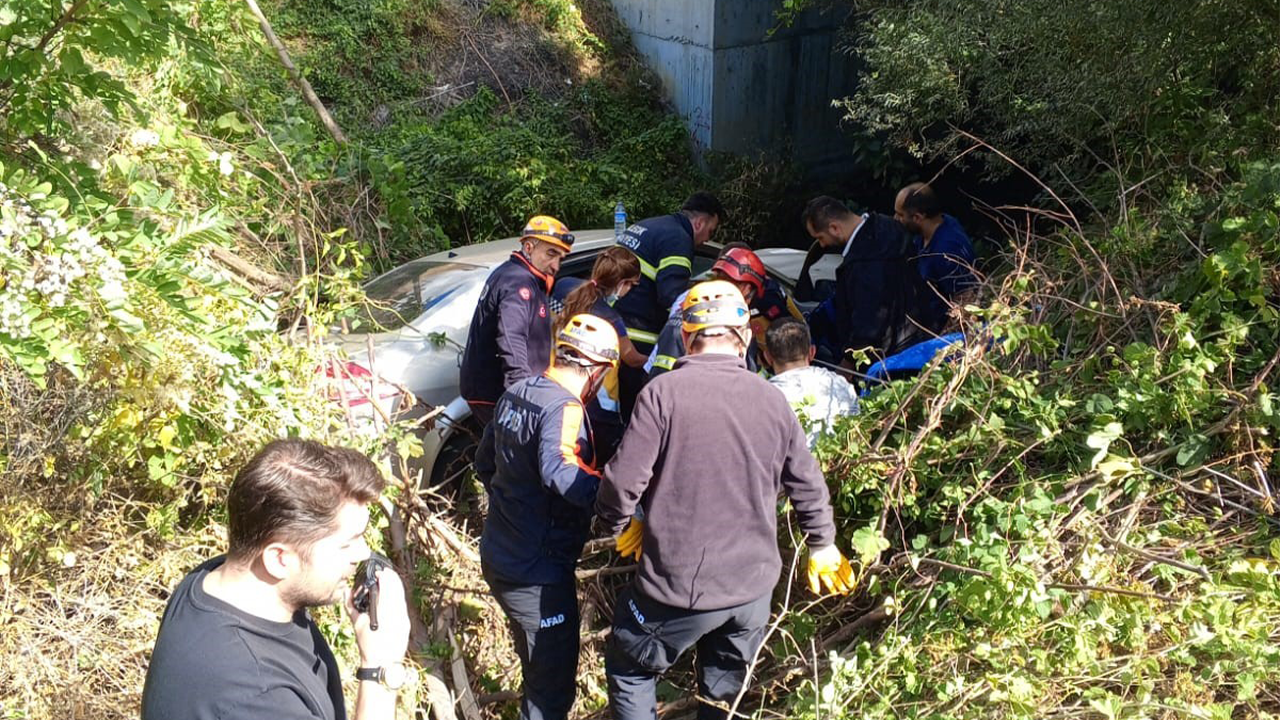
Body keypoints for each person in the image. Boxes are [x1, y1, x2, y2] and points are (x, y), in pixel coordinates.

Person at [596, 281, 856, 720]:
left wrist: (618, 523)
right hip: (752, 591)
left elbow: (622, 483)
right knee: (721, 695)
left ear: (685, 337)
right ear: (745, 338)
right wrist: (823, 544)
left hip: (678, 587)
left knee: (631, 669)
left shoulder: (663, 393)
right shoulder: (772, 399)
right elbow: (807, 481)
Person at [141, 439, 412, 720]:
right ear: (280, 559)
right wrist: (380, 667)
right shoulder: (256, 695)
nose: (363, 553)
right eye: (347, 543)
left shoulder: (208, 580)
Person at [475, 314, 620, 720]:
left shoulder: (518, 391)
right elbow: (559, 470)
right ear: (597, 370)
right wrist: (615, 500)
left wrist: (518, 505)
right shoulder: (566, 407)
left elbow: (484, 464)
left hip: (500, 553)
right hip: (536, 572)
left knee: (537, 668)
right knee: (551, 693)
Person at [612, 192, 726, 415]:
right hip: (638, 340)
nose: (705, 240)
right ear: (699, 222)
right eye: (710, 231)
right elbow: (672, 295)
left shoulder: (648, 226)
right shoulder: (678, 239)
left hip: (615, 331)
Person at [461, 215, 576, 425]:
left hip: (493, 391)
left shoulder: (516, 274)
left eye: (560, 258)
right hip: (499, 394)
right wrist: (525, 396)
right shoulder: (519, 284)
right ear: (529, 247)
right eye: (551, 254)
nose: (556, 266)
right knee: (511, 456)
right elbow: (512, 338)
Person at [801, 196, 938, 367]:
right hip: (919, 341)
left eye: (820, 238)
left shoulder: (864, 264)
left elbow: (868, 322)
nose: (821, 245)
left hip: (888, 360)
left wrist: (849, 363)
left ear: (835, 228)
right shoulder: (890, 227)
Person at [550, 246, 644, 462]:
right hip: (598, 406)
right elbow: (632, 358)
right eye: (631, 285)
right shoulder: (610, 318)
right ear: (622, 284)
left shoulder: (563, 287)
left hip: (558, 383)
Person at [764, 317, 859, 449]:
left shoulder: (763, 398)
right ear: (812, 352)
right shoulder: (840, 384)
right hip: (842, 463)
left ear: (767, 357)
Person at [894, 182, 977, 321]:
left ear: (917, 217)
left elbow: (966, 299)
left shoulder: (948, 250)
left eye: (900, 215)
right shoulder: (929, 231)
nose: (895, 219)